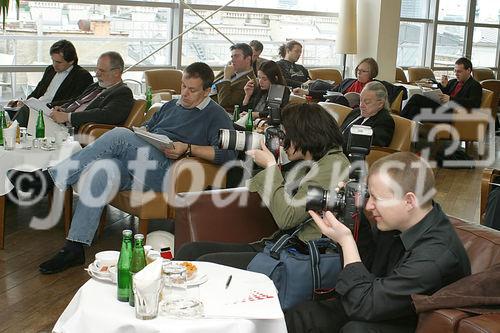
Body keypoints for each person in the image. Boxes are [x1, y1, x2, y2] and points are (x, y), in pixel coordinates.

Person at [38, 62, 237, 274]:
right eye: (183, 86)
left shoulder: (216, 115)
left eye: (192, 90)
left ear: (207, 91)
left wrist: (187, 148)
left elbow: (228, 154)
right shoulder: (171, 106)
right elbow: (149, 130)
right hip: (142, 164)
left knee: (119, 135)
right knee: (102, 170)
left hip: (170, 173)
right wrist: (143, 133)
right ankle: (74, 247)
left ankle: (52, 179)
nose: (185, 93)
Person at [285, 152, 471, 333]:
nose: (368, 205)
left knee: (355, 329)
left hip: (410, 323)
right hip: (378, 303)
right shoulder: (397, 222)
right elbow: (367, 269)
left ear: (408, 201)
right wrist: (352, 219)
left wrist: (346, 242)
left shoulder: (434, 257)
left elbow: (364, 305)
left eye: (376, 198)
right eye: (369, 195)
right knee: (304, 316)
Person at [175, 102, 351, 269]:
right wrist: (264, 163)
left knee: (204, 261)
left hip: (298, 255)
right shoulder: (313, 161)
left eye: (286, 135)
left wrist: (270, 166)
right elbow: (252, 188)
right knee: (191, 250)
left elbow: (287, 218)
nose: (282, 141)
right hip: (280, 245)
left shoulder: (332, 166)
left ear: (304, 136)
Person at [14, 51, 134, 131]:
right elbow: (77, 100)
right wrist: (63, 108)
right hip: (61, 121)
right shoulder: (96, 86)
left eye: (101, 71)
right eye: (97, 69)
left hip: (71, 129)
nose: (97, 74)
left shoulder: (122, 92)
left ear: (117, 72)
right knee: (29, 108)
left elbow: (106, 115)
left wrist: (68, 117)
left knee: (27, 112)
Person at [8, 39, 92, 118]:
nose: (55, 65)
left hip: (54, 113)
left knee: (21, 115)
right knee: (9, 110)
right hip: (37, 108)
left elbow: (75, 101)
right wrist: (26, 102)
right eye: (53, 60)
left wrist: (48, 105)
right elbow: (37, 91)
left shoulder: (82, 76)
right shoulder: (50, 70)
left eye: (59, 62)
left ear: (71, 61)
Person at [401, 57, 482, 120]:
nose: (456, 74)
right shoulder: (454, 82)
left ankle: (399, 120)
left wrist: (451, 99)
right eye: (455, 71)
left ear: (468, 70)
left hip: (453, 114)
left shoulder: (475, 85)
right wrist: (438, 86)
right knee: (414, 110)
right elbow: (443, 91)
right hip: (443, 108)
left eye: (459, 71)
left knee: (416, 97)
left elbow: (474, 104)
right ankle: (407, 135)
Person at [339, 81, 395, 153]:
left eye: (367, 102)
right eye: (360, 100)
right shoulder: (356, 112)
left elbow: (365, 144)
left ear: (380, 104)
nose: (361, 105)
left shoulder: (385, 121)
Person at [211, 43, 256, 111]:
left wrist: (226, 79)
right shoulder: (229, 70)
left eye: (236, 56)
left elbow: (224, 103)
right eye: (232, 57)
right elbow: (210, 83)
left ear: (248, 59)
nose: (232, 60)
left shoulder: (249, 82)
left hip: (214, 110)